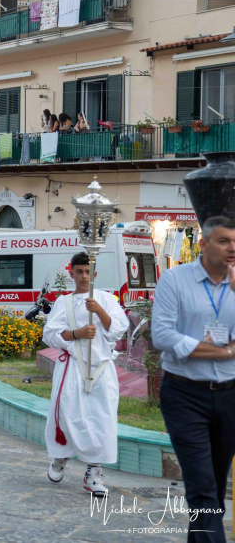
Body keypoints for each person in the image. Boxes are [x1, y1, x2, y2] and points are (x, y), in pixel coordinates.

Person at [152, 216, 235, 543]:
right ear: (203, 244)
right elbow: (163, 336)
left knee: (214, 487)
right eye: (224, 241)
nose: (231, 248)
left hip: (230, 396)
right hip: (185, 395)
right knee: (202, 487)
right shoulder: (175, 279)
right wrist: (225, 351)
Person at [44, 252, 128, 497]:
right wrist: (77, 334)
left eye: (88, 272)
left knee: (101, 416)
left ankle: (94, 471)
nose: (83, 276)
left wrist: (99, 310)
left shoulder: (106, 299)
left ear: (95, 274)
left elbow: (118, 330)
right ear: (71, 273)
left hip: (101, 367)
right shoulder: (64, 302)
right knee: (67, 412)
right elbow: (50, 334)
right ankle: (61, 456)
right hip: (73, 365)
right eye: (79, 272)